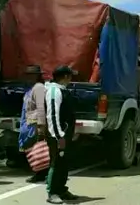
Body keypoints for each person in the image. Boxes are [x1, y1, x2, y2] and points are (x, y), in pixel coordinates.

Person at [44, 66, 79, 204]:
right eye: (69, 76)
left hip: (65, 134)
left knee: (64, 162)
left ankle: (62, 189)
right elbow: (52, 115)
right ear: (64, 77)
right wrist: (59, 137)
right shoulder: (54, 91)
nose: (70, 79)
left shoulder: (63, 91)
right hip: (57, 135)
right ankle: (52, 192)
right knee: (56, 162)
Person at [18, 65, 48, 183]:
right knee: (31, 150)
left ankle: (41, 173)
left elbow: (41, 108)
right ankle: (38, 173)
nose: (28, 77)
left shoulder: (39, 88)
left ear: (37, 76)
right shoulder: (30, 89)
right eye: (27, 75)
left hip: (35, 124)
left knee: (38, 150)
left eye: (31, 75)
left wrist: (41, 126)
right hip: (28, 123)